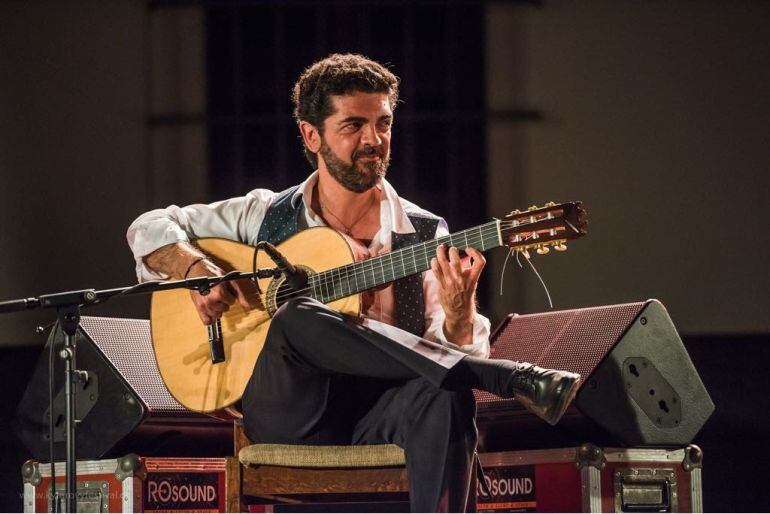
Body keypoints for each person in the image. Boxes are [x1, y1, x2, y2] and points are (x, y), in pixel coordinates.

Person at [127, 53, 579, 512]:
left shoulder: (424, 234)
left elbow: (450, 350)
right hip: (293, 410)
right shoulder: (262, 214)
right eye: (353, 126)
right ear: (310, 134)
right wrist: (195, 270)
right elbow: (148, 227)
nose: (374, 140)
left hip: (379, 414)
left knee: (449, 397)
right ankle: (502, 377)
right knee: (297, 313)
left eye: (383, 124)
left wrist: (462, 315)